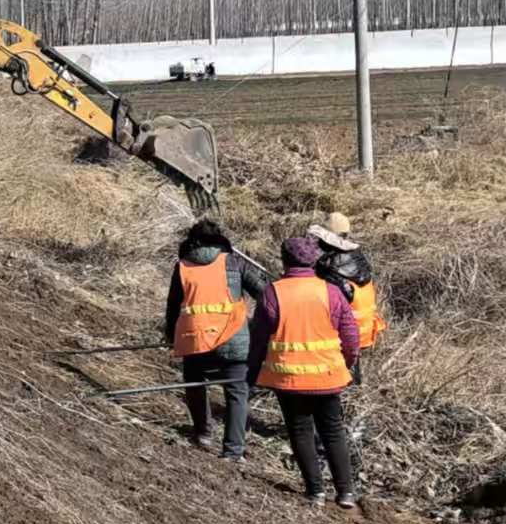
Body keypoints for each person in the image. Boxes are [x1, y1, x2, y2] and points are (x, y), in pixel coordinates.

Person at [250, 235, 362, 508]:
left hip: (289, 377)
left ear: (284, 259)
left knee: (300, 430)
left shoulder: (272, 292)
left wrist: (252, 372)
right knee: (333, 431)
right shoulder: (331, 292)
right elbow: (350, 335)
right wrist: (346, 363)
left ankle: (315, 492)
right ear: (314, 260)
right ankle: (346, 492)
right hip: (327, 375)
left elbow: (258, 339)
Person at [163, 218, 267, 461]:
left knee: (194, 383)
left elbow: (172, 307)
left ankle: (202, 433)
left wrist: (171, 336)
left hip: (195, 336)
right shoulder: (235, 262)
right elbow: (265, 294)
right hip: (232, 336)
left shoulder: (182, 267)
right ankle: (233, 450)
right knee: (237, 391)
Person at [311, 212, 385, 384]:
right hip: (363, 332)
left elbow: (319, 305)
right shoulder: (358, 259)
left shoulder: (330, 268)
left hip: (344, 337)